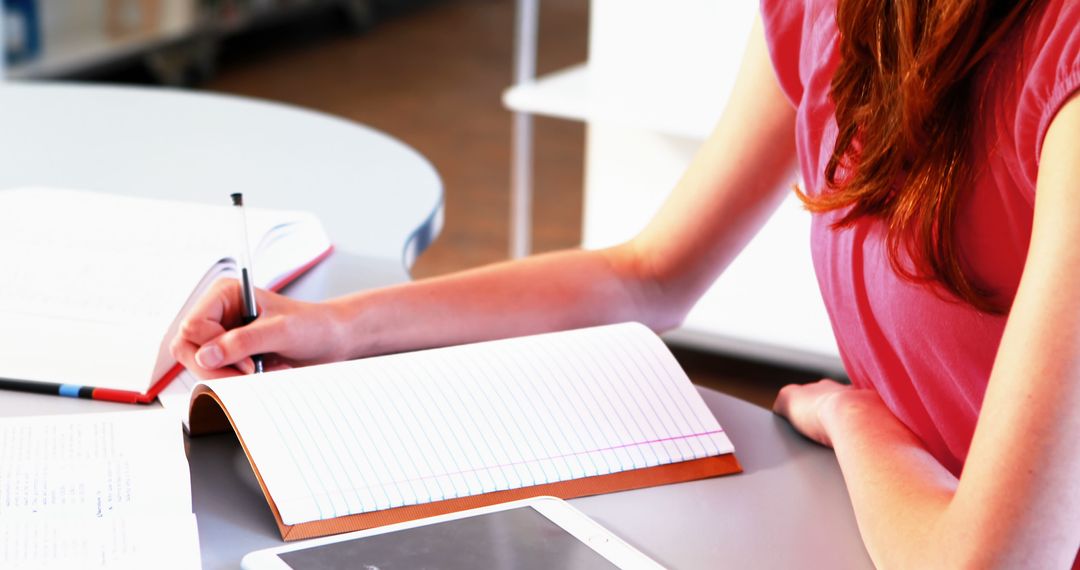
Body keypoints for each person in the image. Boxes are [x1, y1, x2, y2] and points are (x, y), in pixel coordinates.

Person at [172, 0, 1080, 566]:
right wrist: (339, 328)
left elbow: (991, 563)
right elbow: (650, 272)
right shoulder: (842, 13)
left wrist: (858, 420)